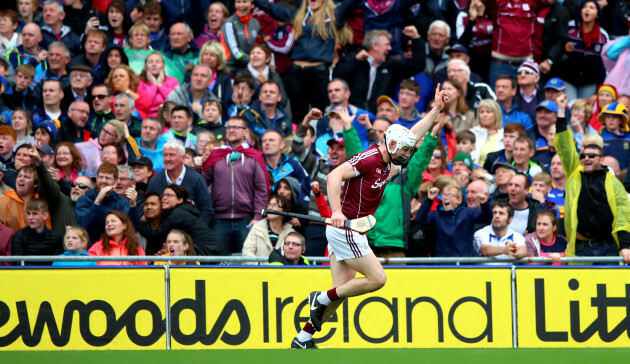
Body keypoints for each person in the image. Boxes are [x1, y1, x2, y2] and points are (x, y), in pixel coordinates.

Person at [291, 86, 447, 349]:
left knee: (339, 295)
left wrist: (436, 109)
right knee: (378, 279)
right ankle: (320, 298)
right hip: (346, 229)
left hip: (352, 230)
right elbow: (333, 176)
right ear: (392, 144)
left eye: (409, 150)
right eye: (405, 150)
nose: (408, 154)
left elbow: (415, 133)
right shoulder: (370, 158)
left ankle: (303, 338)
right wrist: (337, 210)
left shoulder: (390, 159)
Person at [554, 93, 630, 263]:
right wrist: (560, 110)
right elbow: (565, 145)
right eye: (583, 155)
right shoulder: (575, 172)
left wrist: (625, 246)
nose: (586, 158)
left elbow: (623, 217)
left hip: (608, 247)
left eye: (591, 155)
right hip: (581, 247)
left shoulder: (614, 184)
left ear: (601, 159)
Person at [202, 116, 269, 254]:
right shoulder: (216, 154)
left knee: (246, 263)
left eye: (236, 127)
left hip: (247, 220)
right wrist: (201, 167)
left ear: (246, 132)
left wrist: (257, 217)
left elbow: (261, 191)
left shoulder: (254, 156)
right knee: (220, 264)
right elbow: (202, 184)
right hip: (219, 220)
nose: (231, 130)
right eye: (229, 127)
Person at [334, 27, 425, 115]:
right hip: (352, 115)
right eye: (387, 45)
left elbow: (417, 65)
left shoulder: (391, 66)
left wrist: (416, 38)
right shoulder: (356, 60)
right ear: (374, 46)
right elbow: (337, 75)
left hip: (379, 118)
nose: (390, 48)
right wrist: (355, 59)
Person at [138, 184, 227, 256]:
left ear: (180, 200)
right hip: (210, 251)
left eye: (169, 195)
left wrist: (140, 223)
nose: (164, 198)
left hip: (210, 252)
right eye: (163, 195)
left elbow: (157, 235)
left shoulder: (178, 214)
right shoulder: (180, 211)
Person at [147, 140, 214, 224]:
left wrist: (195, 232)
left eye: (172, 155)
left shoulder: (196, 179)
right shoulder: (155, 181)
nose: (167, 159)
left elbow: (207, 211)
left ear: (183, 158)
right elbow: (150, 210)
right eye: (165, 155)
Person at [75, 162, 140, 245]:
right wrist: (97, 201)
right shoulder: (84, 199)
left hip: (115, 248)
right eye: (101, 177)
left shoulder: (121, 201)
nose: (104, 181)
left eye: (108, 178)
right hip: (91, 248)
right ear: (96, 179)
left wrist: (133, 206)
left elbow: (132, 229)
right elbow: (85, 227)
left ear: (115, 182)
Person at [29, 144, 77, 236]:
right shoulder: (45, 175)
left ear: (52, 158)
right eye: (59, 153)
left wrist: (61, 181)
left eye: (42, 156)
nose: (62, 156)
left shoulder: (80, 175)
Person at [242, 193, 295, 263]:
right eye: (269, 205)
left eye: (274, 205)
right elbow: (247, 252)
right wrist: (260, 267)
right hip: (258, 271)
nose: (269, 208)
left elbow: (294, 258)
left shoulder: (291, 233)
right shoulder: (257, 228)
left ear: (284, 210)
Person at [11, 198, 62, 265]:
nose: (30, 217)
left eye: (35, 214)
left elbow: (57, 263)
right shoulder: (20, 235)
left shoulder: (55, 237)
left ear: (45, 216)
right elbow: (18, 262)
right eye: (28, 213)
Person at [0, 165, 48, 232]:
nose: (21, 179)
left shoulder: (41, 206)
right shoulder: (2, 203)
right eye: (19, 176)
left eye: (27, 177)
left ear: (35, 184)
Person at [221, 0, 262, 75]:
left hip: (251, 66)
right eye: (238, 2)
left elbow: (261, 44)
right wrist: (254, 60)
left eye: (244, 1)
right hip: (232, 68)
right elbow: (235, 51)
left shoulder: (255, 23)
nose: (241, 5)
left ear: (252, 5)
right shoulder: (229, 23)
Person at [137, 52, 180, 118]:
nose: (154, 64)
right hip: (145, 117)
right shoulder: (139, 81)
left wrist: (160, 85)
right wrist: (154, 85)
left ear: (163, 67)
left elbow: (176, 101)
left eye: (158, 62)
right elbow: (143, 103)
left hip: (169, 117)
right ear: (145, 67)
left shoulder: (173, 81)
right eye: (150, 62)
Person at [470, 99, 504, 165]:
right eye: (481, 112)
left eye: (488, 112)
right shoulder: (472, 133)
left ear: (496, 114)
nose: (484, 115)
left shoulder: (504, 135)